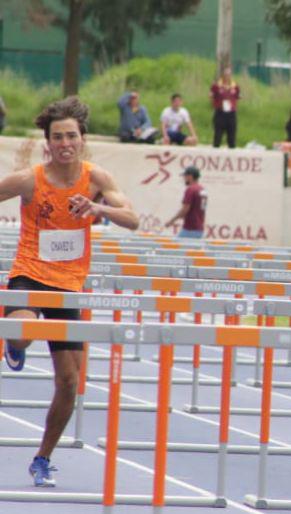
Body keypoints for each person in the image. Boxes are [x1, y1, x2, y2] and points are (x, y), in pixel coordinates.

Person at [2, 97, 139, 487]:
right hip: (29, 275)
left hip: (68, 287)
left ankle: (42, 458)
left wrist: (99, 210)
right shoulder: (30, 179)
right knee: (22, 333)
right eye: (58, 137)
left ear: (82, 139)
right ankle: (14, 345)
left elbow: (132, 219)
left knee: (69, 382)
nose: (65, 143)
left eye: (71, 136)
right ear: (48, 142)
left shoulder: (96, 179)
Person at [165, 166, 208, 238]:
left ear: (190, 176)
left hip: (190, 229)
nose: (184, 178)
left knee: (175, 244)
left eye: (185, 176)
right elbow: (201, 209)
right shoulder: (203, 190)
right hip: (199, 229)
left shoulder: (191, 189)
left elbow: (185, 209)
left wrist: (171, 221)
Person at [210, 66, 240, 148]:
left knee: (231, 138)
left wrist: (233, 105)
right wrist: (216, 105)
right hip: (220, 113)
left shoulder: (235, 86)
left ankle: (232, 151)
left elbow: (237, 97)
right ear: (223, 75)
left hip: (231, 113)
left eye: (229, 74)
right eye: (226, 74)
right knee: (217, 137)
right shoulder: (216, 86)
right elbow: (211, 96)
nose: (227, 76)